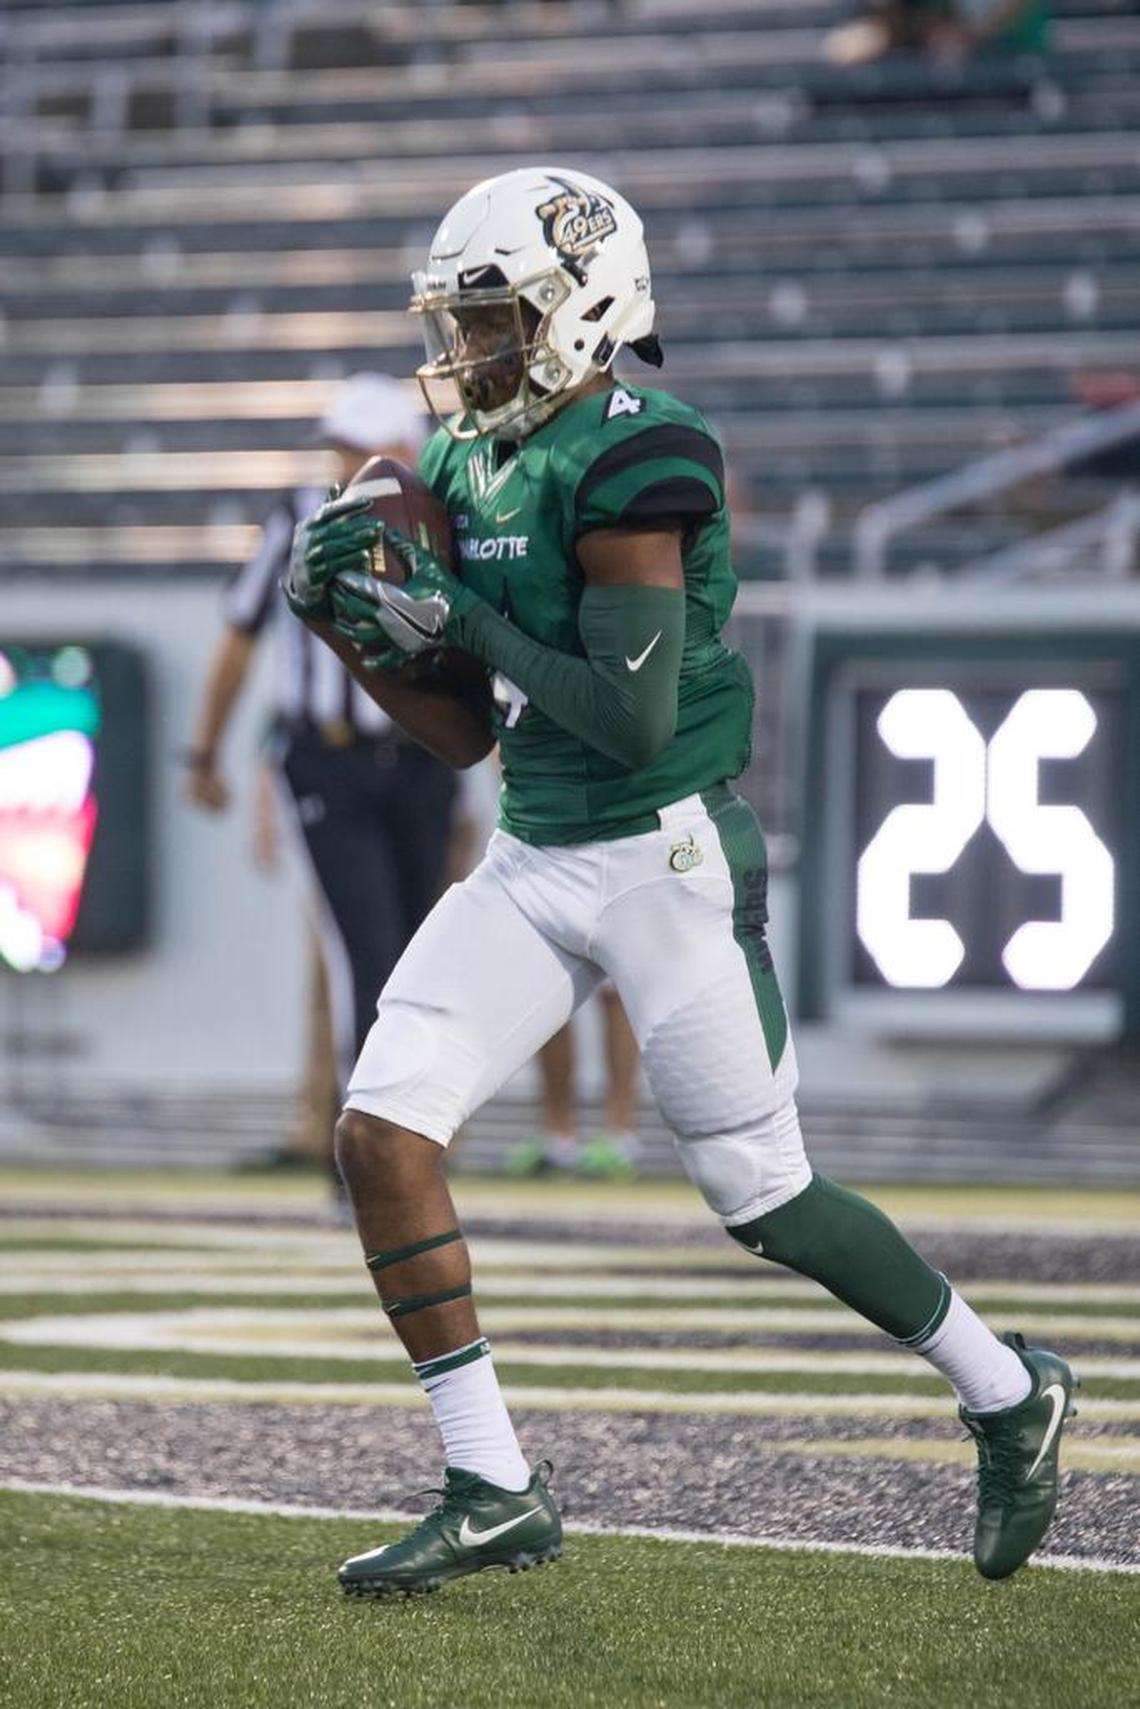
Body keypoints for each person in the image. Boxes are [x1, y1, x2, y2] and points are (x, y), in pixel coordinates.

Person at [281, 166, 1077, 1597]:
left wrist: (452, 607)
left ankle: (1009, 1390)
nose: (469, 353)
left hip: (666, 854)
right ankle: (491, 1482)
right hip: (535, 851)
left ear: (582, 310)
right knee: (382, 1132)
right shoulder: (468, 461)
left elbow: (630, 722)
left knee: (761, 1194)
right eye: (461, 323)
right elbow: (468, 731)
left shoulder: (650, 450)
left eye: (493, 320)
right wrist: (357, 631)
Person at [185, 373, 459, 1186]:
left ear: (405, 451)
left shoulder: (447, 520)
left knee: (424, 963)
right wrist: (204, 751)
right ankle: (372, 1162)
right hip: (329, 762)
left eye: (357, 446)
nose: (342, 462)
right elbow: (239, 633)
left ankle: (413, 1143)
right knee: (366, 956)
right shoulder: (300, 518)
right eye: (339, 446)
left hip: (424, 761)